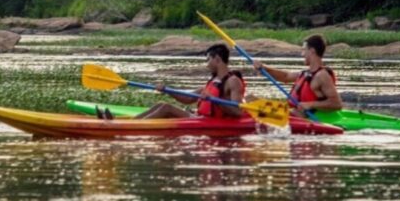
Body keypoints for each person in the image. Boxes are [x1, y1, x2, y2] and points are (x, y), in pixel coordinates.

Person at [108, 43, 245, 120]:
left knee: (166, 108)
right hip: (200, 118)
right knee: (162, 104)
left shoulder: (233, 82)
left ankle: (131, 127)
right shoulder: (213, 81)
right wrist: (167, 90)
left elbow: (238, 112)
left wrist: (214, 100)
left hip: (211, 122)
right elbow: (187, 98)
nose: (207, 64)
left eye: (208, 60)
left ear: (217, 59)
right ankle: (131, 122)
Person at [253, 34, 342, 116]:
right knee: (251, 99)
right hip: (293, 112)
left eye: (304, 50)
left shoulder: (322, 76)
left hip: (308, 117)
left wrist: (310, 104)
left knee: (254, 106)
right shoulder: (307, 73)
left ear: (312, 51)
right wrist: (264, 68)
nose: (301, 54)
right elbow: (285, 76)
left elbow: (337, 104)